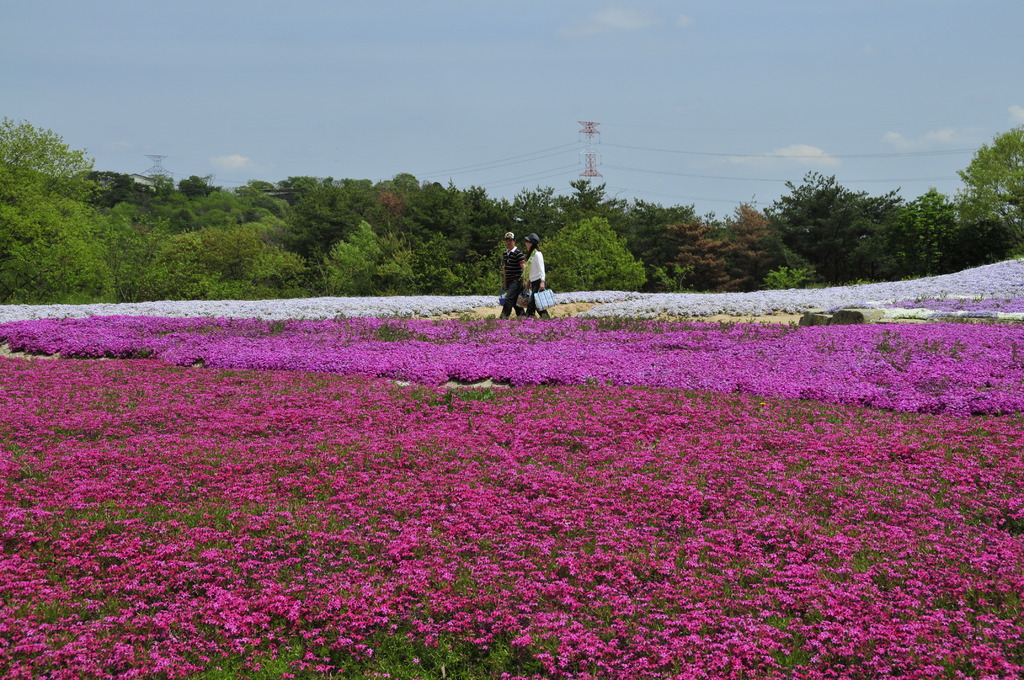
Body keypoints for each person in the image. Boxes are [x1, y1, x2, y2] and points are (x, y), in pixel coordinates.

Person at [522, 232, 551, 319]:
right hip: (534, 281)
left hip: (538, 281)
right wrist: (529, 281)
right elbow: (532, 270)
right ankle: (548, 319)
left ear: (531, 243)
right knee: (538, 304)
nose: (526, 244)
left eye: (527, 242)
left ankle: (528, 319)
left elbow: (541, 269)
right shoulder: (532, 255)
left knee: (532, 303)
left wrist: (542, 282)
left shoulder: (537, 254)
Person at [499, 231, 526, 319]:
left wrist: (526, 280)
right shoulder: (505, 253)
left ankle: (503, 317)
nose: (508, 242)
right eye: (507, 240)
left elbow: (524, 267)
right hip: (509, 280)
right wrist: (505, 281)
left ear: (514, 241)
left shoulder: (518, 253)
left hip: (517, 280)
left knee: (508, 299)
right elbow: (505, 268)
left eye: (510, 240)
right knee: (515, 301)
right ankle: (523, 318)